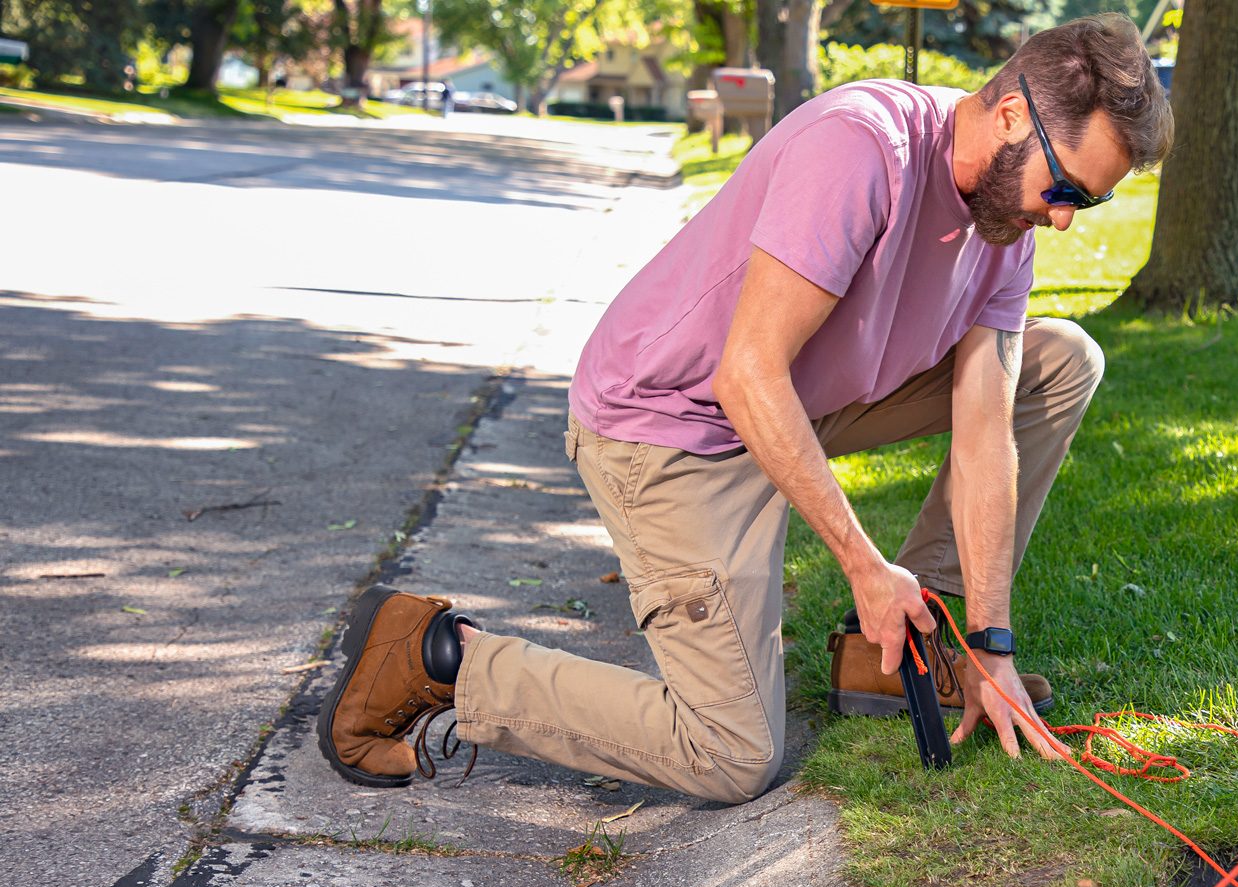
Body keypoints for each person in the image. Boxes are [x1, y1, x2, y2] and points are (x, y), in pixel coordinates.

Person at [316, 14, 1174, 803]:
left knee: (1060, 360)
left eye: (1089, 203)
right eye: (1068, 190)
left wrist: (991, 645)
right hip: (675, 424)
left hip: (801, 396)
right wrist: (866, 567)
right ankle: (434, 661)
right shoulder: (862, 149)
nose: (1064, 221)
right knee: (730, 753)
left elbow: (987, 438)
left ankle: (910, 650)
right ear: (1015, 115)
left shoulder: (1005, 227)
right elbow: (747, 374)